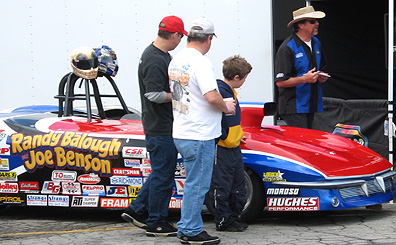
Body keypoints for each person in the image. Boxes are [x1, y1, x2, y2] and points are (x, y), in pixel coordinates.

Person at [168, 17, 236, 244]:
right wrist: (226, 107)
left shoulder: (177, 60)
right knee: (198, 184)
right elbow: (210, 96)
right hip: (200, 133)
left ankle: (187, 226)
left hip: (182, 129)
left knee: (192, 182)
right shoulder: (201, 62)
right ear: (209, 39)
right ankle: (191, 230)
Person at [121, 15, 188, 238]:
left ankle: (137, 210)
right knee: (163, 176)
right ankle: (156, 221)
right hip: (160, 128)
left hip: (159, 126)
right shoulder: (155, 59)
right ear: (176, 35)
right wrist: (180, 96)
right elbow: (153, 94)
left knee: (161, 172)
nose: (181, 41)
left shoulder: (158, 55)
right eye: (181, 36)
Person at [210, 55, 252, 232]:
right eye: (244, 78)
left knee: (238, 186)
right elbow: (219, 118)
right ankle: (222, 220)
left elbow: (232, 121)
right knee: (222, 186)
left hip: (234, 145)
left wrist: (237, 134)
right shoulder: (222, 92)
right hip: (223, 147)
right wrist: (225, 136)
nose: (244, 81)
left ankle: (233, 218)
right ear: (237, 78)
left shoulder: (230, 92)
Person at [275, 6, 329, 129]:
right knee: (302, 143)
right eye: (312, 21)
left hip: (312, 104)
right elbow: (280, 82)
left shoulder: (316, 43)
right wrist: (305, 79)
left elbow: (321, 67)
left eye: (316, 21)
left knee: (310, 141)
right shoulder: (287, 47)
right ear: (301, 25)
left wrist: (321, 76)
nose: (317, 23)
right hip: (294, 106)